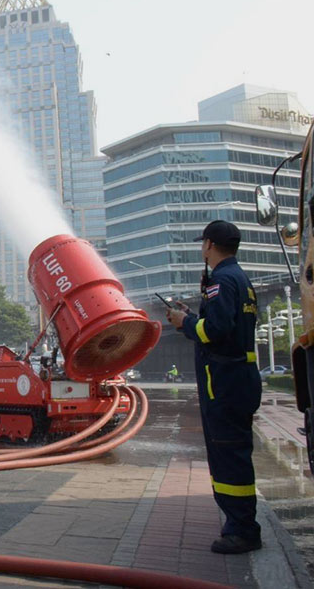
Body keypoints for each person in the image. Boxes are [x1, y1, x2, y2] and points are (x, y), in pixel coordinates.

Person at [164, 220, 262, 554]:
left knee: (228, 454)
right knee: (233, 452)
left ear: (209, 245)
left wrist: (185, 322)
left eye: (202, 244)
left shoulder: (222, 279)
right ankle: (240, 524)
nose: (201, 249)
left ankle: (242, 530)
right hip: (238, 379)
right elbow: (229, 325)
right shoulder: (240, 279)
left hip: (224, 382)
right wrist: (194, 316)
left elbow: (216, 331)